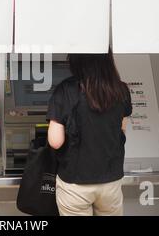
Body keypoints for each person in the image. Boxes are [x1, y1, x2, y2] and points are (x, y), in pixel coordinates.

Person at [46, 47, 132, 216]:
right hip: (111, 181)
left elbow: (55, 142)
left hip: (75, 184)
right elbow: (121, 130)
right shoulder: (121, 89)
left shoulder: (66, 90)